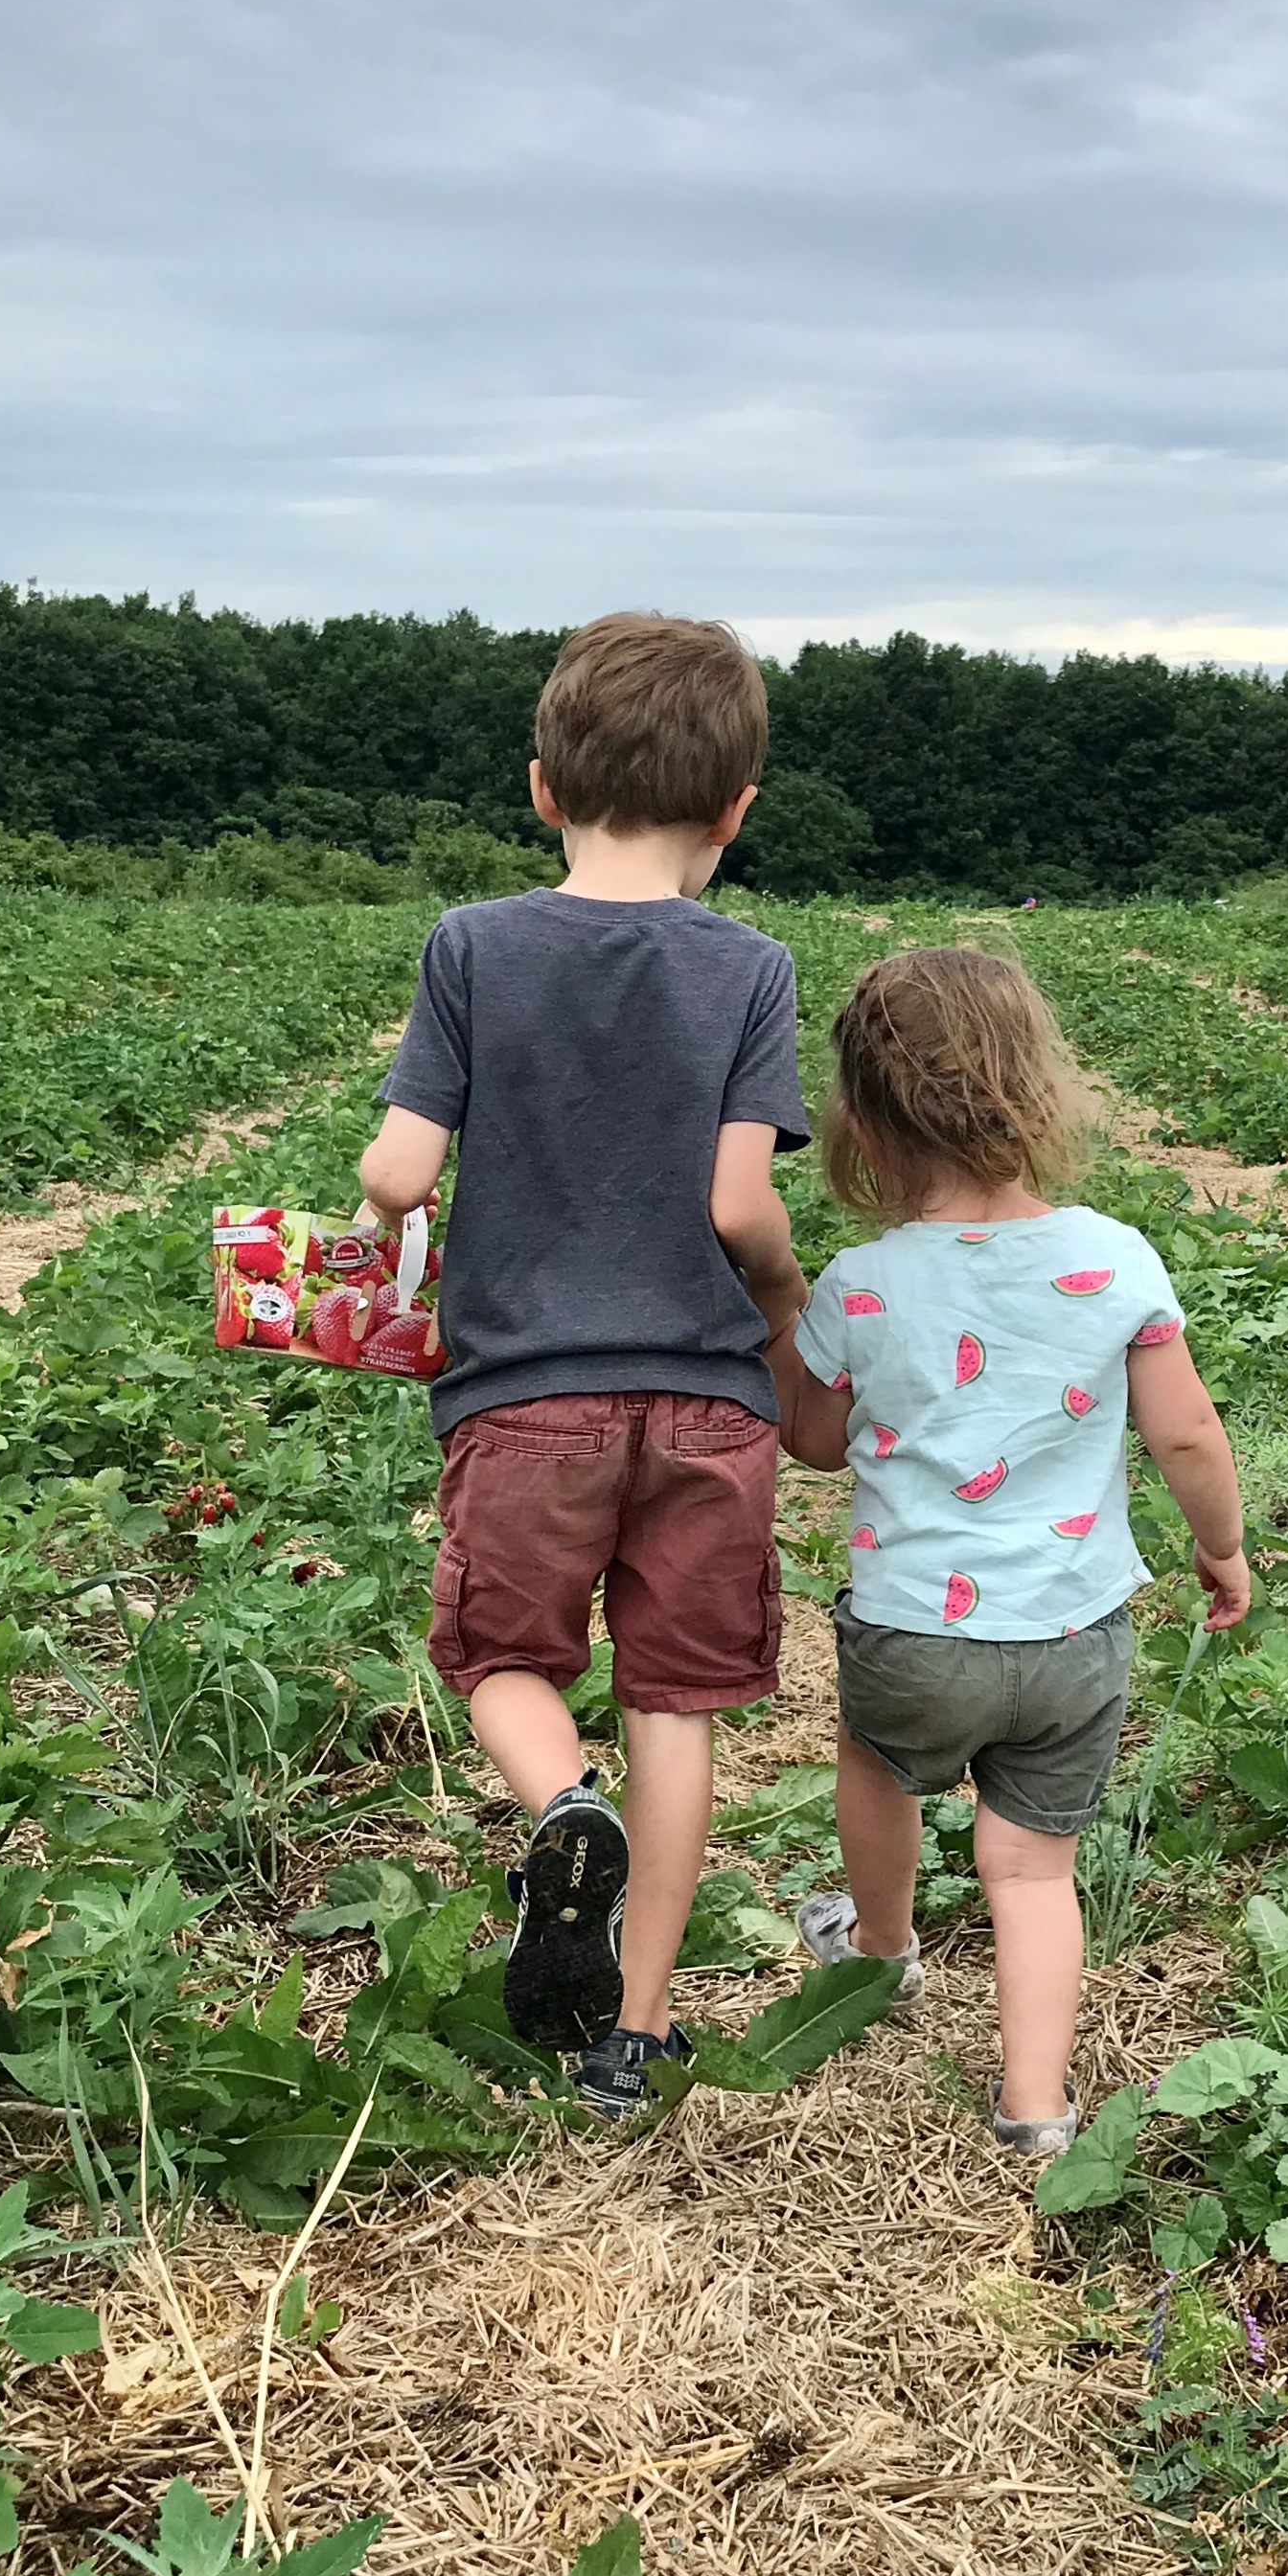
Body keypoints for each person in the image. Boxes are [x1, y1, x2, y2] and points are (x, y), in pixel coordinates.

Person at [356, 614, 811, 2123]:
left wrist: (374, 1213)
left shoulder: (474, 946)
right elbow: (739, 1205)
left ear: (542, 787)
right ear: (735, 808)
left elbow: (406, 1170)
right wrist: (787, 1297)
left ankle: (562, 1808)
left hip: (525, 1394)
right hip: (709, 1403)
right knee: (675, 1703)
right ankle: (634, 2034)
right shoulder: (750, 969)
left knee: (505, 1660)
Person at [773, 945, 1251, 2160]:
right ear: (1038, 1094)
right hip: (1074, 1630)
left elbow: (817, 1445)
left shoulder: (862, 1282)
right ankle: (1037, 2107)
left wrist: (788, 1325)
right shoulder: (1117, 1260)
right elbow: (1188, 1432)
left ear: (865, 1129)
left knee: (877, 1768)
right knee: (1033, 1871)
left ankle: (882, 1948)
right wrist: (1223, 1550)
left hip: (912, 1630)